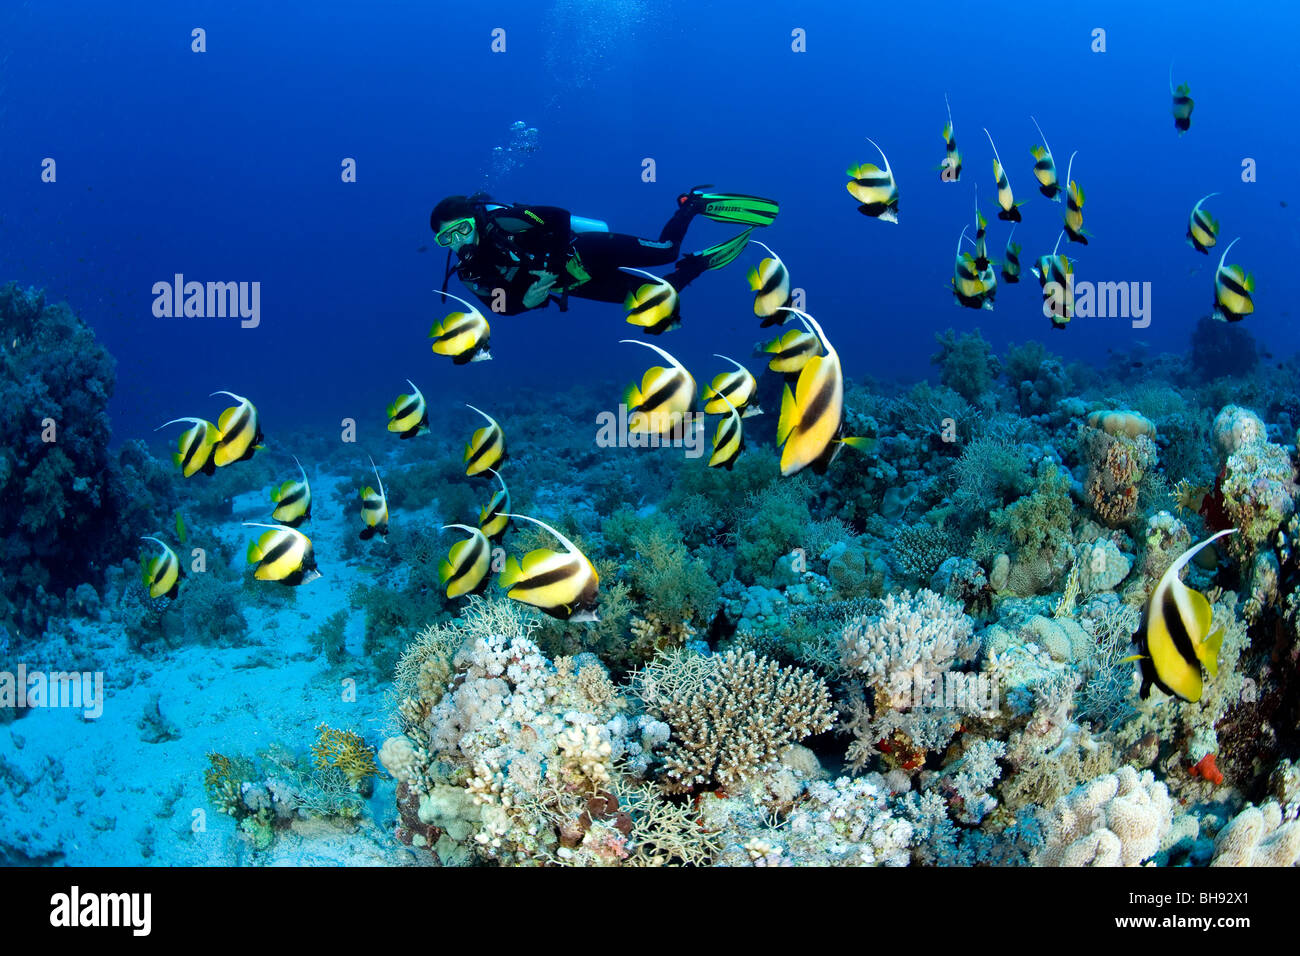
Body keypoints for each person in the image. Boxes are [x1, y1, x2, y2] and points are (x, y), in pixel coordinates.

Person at [432, 188, 779, 315]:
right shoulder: (468, 272)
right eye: (446, 239)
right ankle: (700, 263)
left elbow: (557, 217)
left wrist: (552, 263)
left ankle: (691, 205)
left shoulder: (505, 221)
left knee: (666, 252)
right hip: (572, 284)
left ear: (474, 220)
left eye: (461, 229)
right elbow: (499, 307)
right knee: (655, 300)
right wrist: (526, 302)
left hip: (586, 251)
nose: (458, 242)